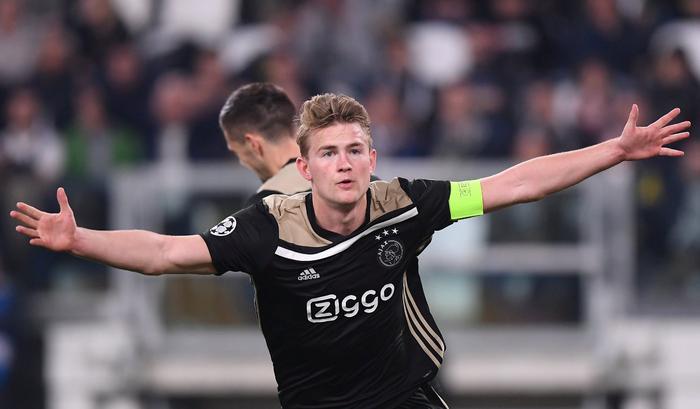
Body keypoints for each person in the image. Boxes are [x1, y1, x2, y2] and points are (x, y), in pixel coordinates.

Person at [10, 93, 690, 408]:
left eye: (355, 149)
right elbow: (164, 251)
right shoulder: (267, 228)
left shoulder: (405, 204)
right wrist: (80, 239)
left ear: (373, 158)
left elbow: (514, 184)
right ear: (303, 167)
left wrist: (613, 150)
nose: (344, 162)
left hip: (404, 399)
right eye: (329, 152)